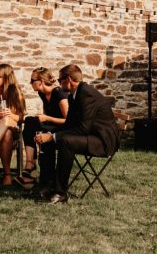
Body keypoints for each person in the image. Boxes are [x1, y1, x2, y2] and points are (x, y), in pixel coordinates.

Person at [35, 64, 119, 204]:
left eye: (60, 79)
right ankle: (48, 186)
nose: (58, 83)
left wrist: (53, 136)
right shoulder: (73, 95)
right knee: (48, 140)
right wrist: (49, 134)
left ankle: (60, 193)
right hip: (91, 135)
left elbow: (83, 128)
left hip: (103, 141)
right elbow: (69, 124)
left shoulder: (85, 93)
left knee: (65, 141)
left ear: (68, 79)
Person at [21, 67, 69, 184]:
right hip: (52, 125)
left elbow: (69, 121)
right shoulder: (42, 93)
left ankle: (41, 174)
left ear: (41, 82)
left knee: (36, 127)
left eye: (32, 80)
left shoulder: (59, 94)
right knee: (29, 121)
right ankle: (30, 162)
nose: (30, 83)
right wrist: (44, 118)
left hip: (64, 128)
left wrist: (47, 118)